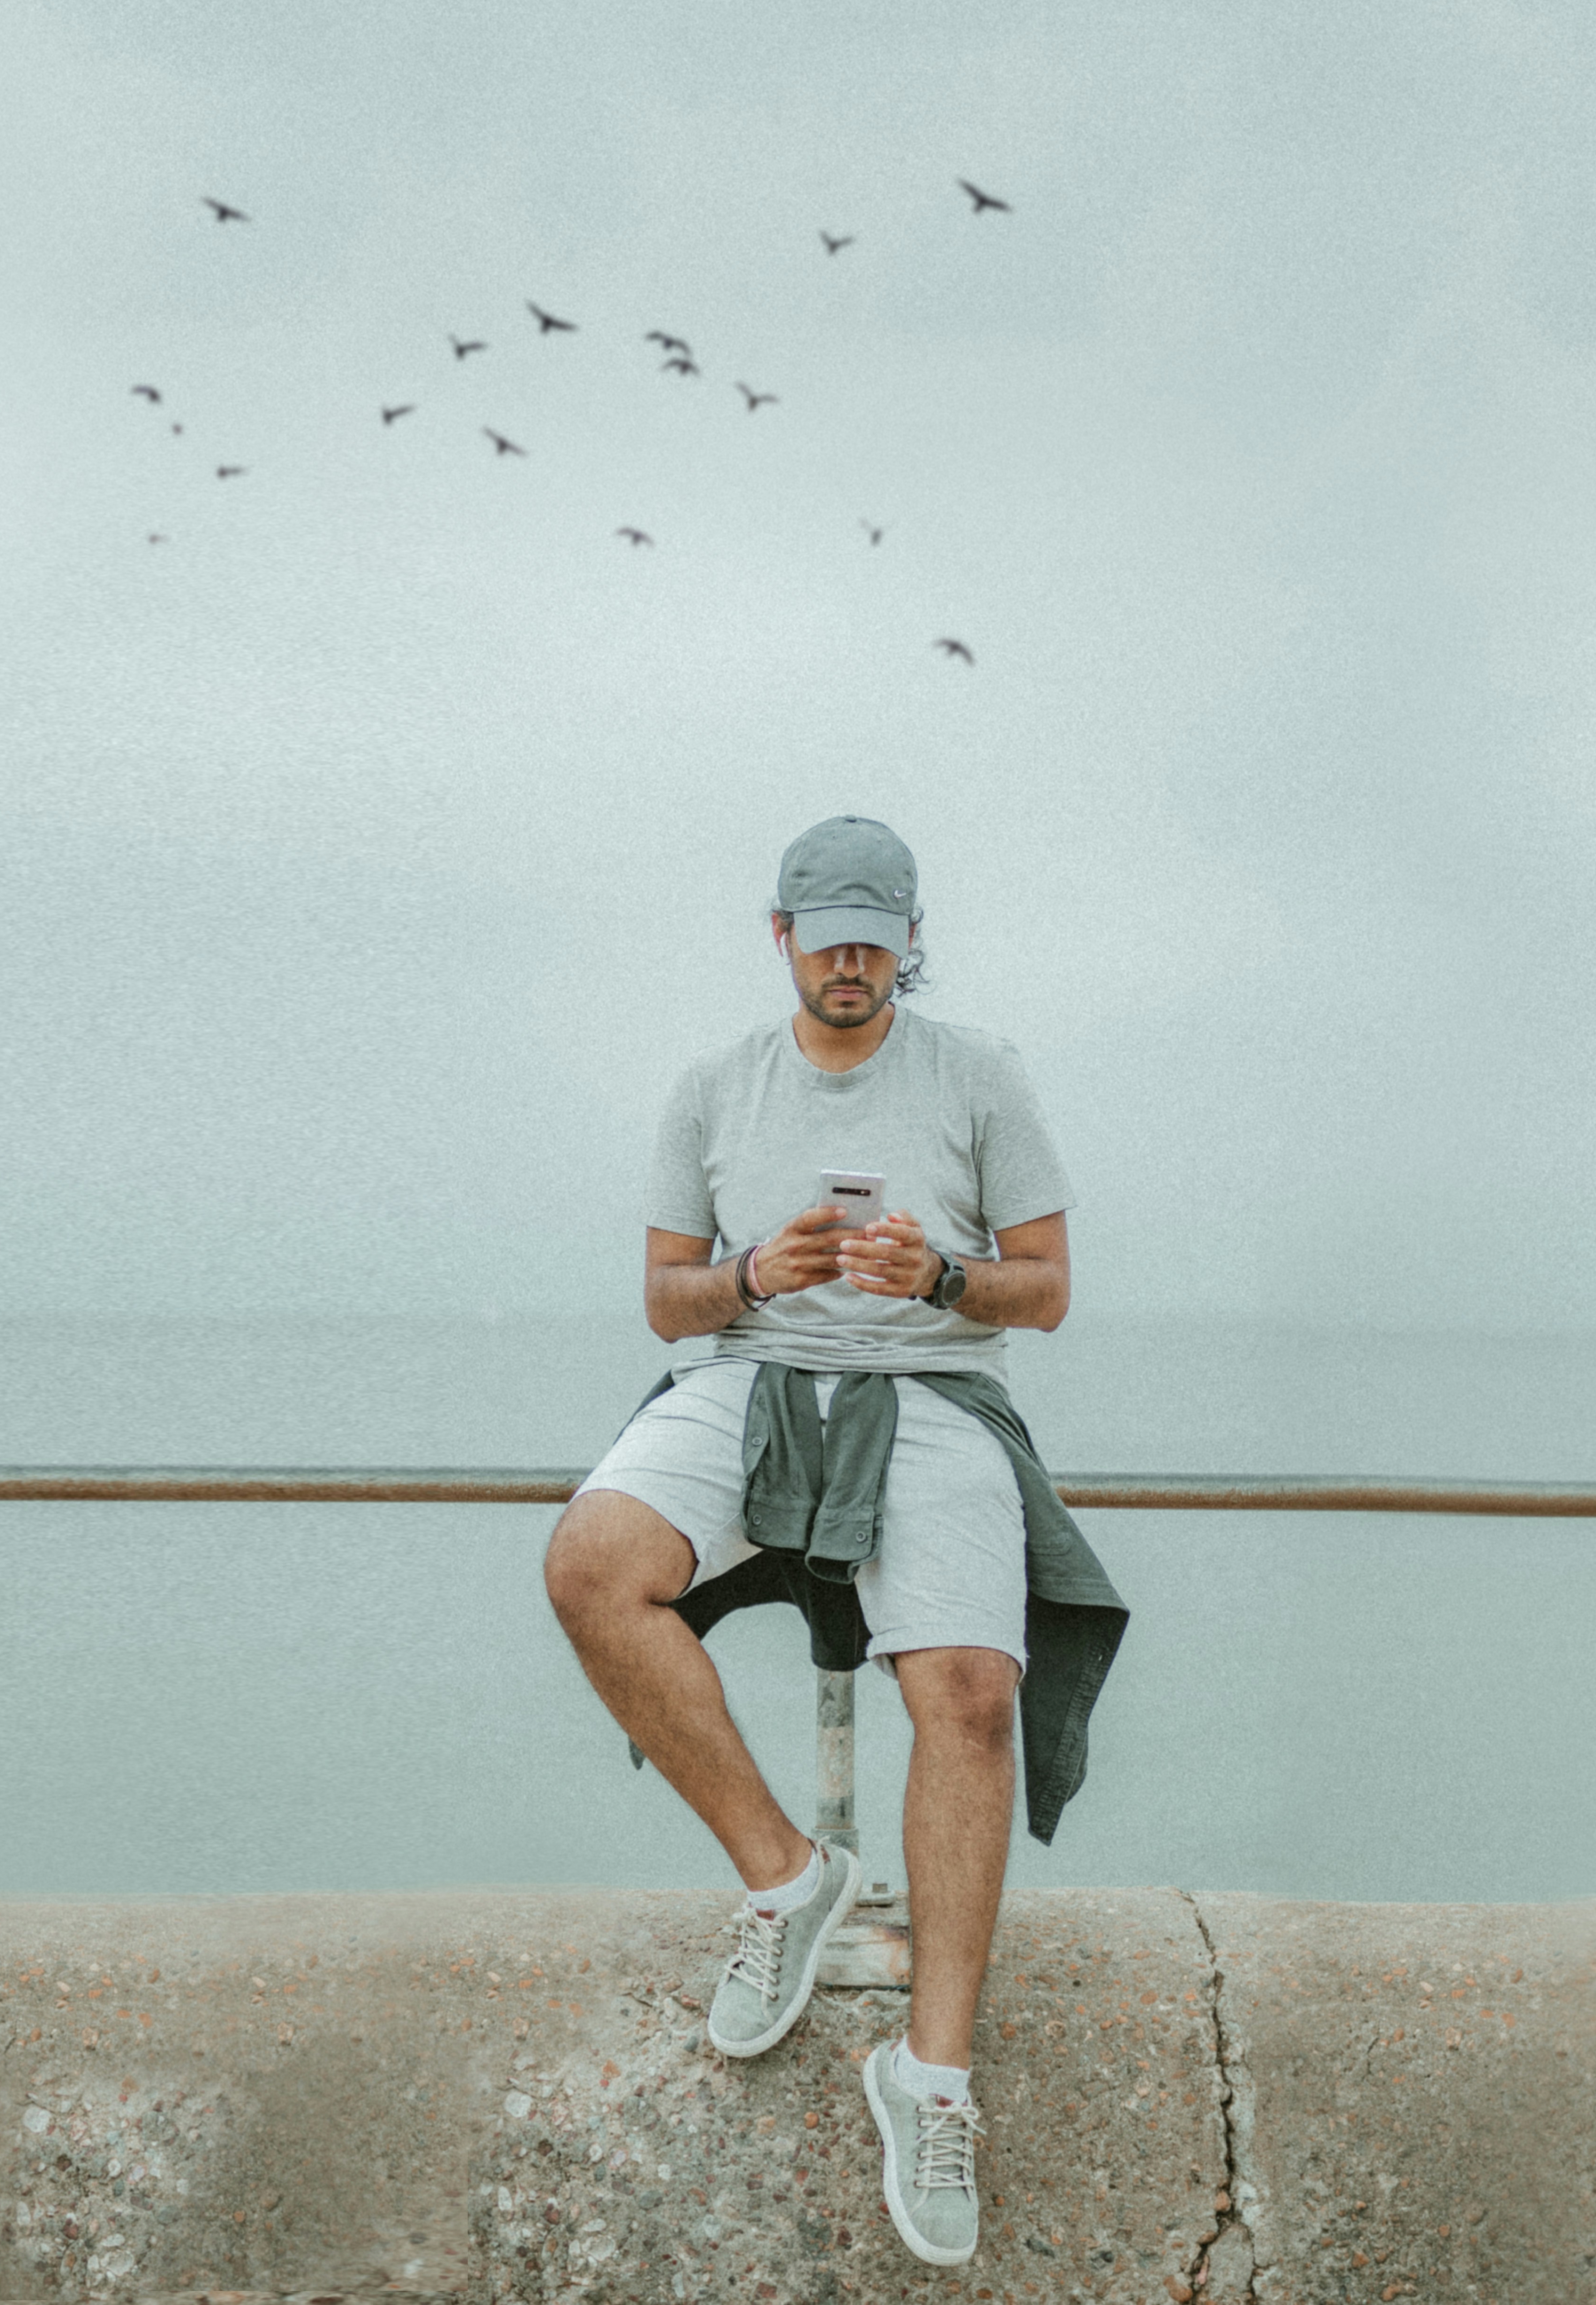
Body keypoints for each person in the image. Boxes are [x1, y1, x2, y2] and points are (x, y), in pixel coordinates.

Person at [542, 814, 1125, 2271]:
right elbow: (668, 1302)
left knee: (971, 1699)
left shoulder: (979, 1077)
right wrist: (753, 1272)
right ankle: (790, 1875)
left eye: (878, 936)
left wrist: (941, 1276)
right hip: (743, 1377)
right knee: (588, 1567)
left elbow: (1047, 1291)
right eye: (830, 935)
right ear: (783, 935)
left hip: (931, 1388)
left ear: (909, 939)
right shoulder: (713, 1088)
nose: (853, 961)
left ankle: (930, 2083)